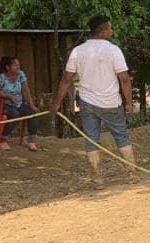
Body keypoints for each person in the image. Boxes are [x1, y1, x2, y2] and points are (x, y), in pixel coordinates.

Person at [50, 15, 137, 188]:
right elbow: (124, 79)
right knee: (121, 137)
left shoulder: (78, 51)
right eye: (110, 28)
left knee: (91, 139)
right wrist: (128, 102)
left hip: (87, 103)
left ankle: (97, 179)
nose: (112, 31)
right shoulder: (113, 50)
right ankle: (132, 175)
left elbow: (66, 80)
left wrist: (56, 103)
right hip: (111, 102)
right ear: (103, 30)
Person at [0, 56, 41, 151]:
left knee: (34, 113)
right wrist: (8, 96)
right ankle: (2, 140)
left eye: (18, 64)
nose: (18, 67)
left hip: (18, 104)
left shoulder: (21, 74)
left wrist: (32, 105)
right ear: (8, 67)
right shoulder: (2, 77)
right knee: (15, 114)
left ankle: (31, 141)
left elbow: (26, 91)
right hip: (5, 105)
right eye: (15, 65)